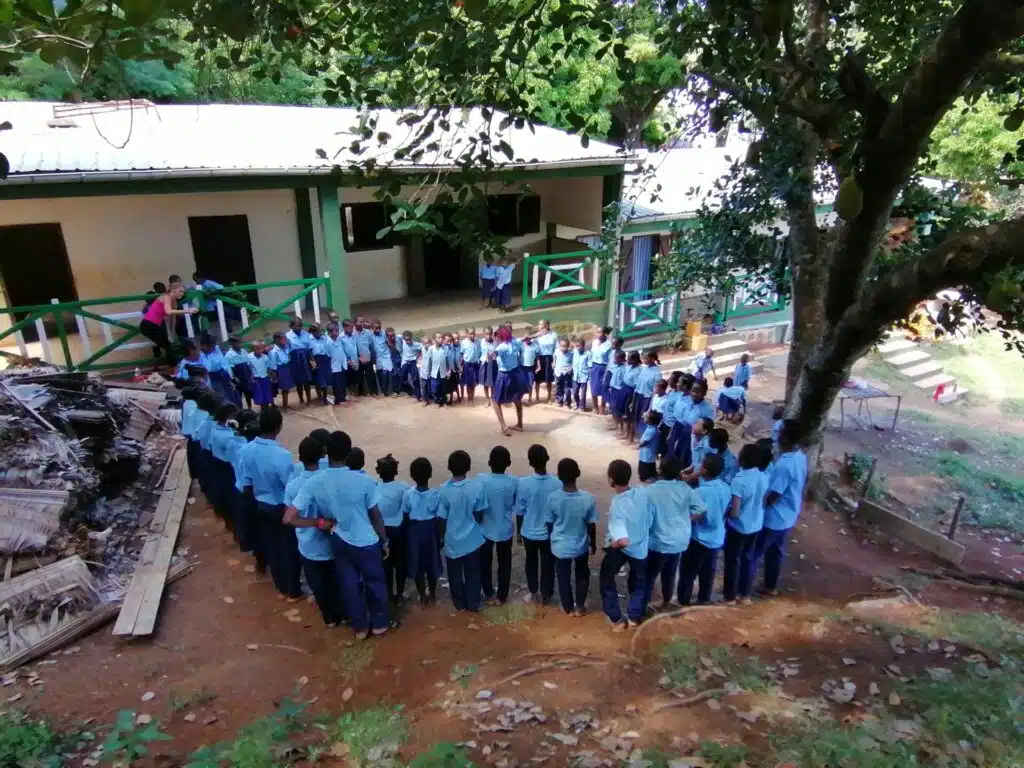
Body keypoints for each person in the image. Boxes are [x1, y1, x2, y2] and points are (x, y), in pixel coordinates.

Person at [288, 432, 398, 639]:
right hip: (365, 540)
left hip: (338, 537)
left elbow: (289, 517)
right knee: (374, 581)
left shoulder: (314, 482)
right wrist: (384, 540)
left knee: (349, 583)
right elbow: (376, 516)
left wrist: (318, 523)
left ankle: (360, 628)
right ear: (348, 453)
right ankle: (380, 624)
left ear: (326, 453)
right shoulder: (364, 481)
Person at [238, 407, 301, 600]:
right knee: (289, 547)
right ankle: (293, 589)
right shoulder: (281, 455)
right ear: (279, 427)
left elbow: (246, 482)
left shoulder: (247, 449)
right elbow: (289, 486)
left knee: (272, 545)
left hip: (261, 503)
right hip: (280, 505)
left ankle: (280, 585)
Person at [283, 437, 343, 627]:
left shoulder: (293, 486)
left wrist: (315, 523)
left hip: (308, 545)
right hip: (334, 542)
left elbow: (289, 518)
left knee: (318, 585)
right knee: (338, 581)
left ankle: (330, 618)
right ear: (322, 456)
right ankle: (342, 613)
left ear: (300, 458)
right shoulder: (330, 480)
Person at [753, 420, 808, 596]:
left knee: (755, 553)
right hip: (788, 514)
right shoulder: (800, 456)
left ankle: (742, 591)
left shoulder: (785, 465)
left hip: (773, 518)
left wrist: (756, 508)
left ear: (787, 437)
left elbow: (773, 496)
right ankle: (771, 586)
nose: (777, 435)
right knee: (775, 552)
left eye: (781, 432)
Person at [599, 459, 655, 629]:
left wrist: (610, 547)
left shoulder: (617, 504)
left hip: (623, 548)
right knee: (639, 582)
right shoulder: (641, 493)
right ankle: (633, 617)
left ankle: (616, 619)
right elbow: (650, 516)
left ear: (611, 480)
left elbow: (622, 541)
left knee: (606, 577)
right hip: (640, 549)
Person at [643, 457, 705, 611]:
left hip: (658, 541)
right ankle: (666, 601)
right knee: (669, 572)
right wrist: (686, 519)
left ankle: (642, 606)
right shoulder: (685, 488)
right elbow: (701, 510)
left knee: (649, 575)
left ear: (659, 470)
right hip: (679, 541)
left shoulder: (650, 490)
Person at [544, 458, 597, 616]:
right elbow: (591, 524)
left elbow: (549, 523)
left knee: (563, 576)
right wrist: (592, 543)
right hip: (580, 544)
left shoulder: (553, 498)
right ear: (578, 474)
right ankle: (579, 607)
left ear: (558, 476)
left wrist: (552, 539)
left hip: (560, 546)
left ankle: (567, 607)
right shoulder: (588, 498)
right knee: (582, 574)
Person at [437, 450, 488, 612]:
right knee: (473, 573)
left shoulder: (443, 490)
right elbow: (479, 513)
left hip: (452, 541)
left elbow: (441, 518)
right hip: (472, 539)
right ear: (469, 467)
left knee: (454, 576)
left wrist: (441, 537)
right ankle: (473, 604)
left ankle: (459, 604)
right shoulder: (477, 486)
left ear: (449, 467)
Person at [677, 454, 730, 605]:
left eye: (701, 466)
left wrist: (685, 520)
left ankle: (683, 600)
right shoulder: (725, 487)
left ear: (704, 471)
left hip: (699, 538)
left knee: (688, 572)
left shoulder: (699, 492)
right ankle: (704, 598)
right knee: (708, 570)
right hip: (717, 537)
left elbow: (698, 515)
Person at [723, 444, 768, 604]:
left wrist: (724, 513)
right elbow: (763, 502)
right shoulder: (763, 476)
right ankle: (745, 595)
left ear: (742, 459)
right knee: (748, 559)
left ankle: (729, 597)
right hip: (756, 525)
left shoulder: (739, 480)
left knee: (732, 561)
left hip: (738, 527)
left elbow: (735, 512)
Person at [517, 445, 561, 604]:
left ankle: (533, 592)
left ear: (530, 462)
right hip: (549, 532)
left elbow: (520, 511)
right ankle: (546, 595)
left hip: (529, 531)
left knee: (531, 562)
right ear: (547, 458)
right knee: (548, 563)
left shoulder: (523, 483)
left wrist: (518, 533)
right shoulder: (557, 483)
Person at [476, 445, 517, 606]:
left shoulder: (480, 479)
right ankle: (502, 596)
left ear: (489, 462)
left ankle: (488, 593)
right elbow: (514, 503)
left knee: (485, 562)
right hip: (505, 529)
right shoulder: (514, 482)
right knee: (505, 563)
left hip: (485, 528)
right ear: (509, 463)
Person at [401, 457, 442, 604]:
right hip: (430, 531)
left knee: (417, 565)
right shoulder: (436, 495)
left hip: (414, 531)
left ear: (412, 476)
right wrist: (440, 537)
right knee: (431, 563)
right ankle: (432, 594)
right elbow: (439, 518)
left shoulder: (407, 494)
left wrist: (406, 534)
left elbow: (405, 516)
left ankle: (422, 596)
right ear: (430, 475)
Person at [375, 454, 410, 608]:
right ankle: (400, 594)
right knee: (400, 564)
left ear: (378, 472)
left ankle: (389, 594)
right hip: (399, 530)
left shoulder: (375, 489)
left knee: (386, 564)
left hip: (382, 532)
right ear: (396, 471)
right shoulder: (404, 488)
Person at [140, 281, 197, 363]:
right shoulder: (166, 297)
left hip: (155, 325)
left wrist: (172, 333)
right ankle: (174, 367)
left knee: (170, 345)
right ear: (174, 290)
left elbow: (172, 318)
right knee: (168, 346)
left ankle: (176, 366)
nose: (182, 294)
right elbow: (168, 311)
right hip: (148, 325)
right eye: (180, 291)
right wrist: (188, 310)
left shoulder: (174, 301)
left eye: (183, 292)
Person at [490, 326, 524, 435]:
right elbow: (525, 338)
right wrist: (539, 334)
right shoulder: (515, 342)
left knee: (495, 401)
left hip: (504, 375)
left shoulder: (501, 347)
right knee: (517, 399)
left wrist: (490, 354)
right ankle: (520, 424)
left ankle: (504, 427)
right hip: (514, 374)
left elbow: (493, 354)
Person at [673, 381, 713, 466]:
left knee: (689, 459)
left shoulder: (706, 409)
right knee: (678, 455)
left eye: (698, 392)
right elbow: (683, 421)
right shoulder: (688, 403)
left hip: (695, 438)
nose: (694, 394)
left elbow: (707, 428)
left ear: (704, 393)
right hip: (683, 434)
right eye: (692, 391)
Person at [631, 350, 662, 442]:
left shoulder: (656, 374)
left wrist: (649, 409)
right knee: (636, 418)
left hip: (647, 399)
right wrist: (633, 401)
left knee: (644, 421)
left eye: (645, 358)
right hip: (638, 397)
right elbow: (638, 385)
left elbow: (655, 392)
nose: (643, 360)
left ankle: (643, 440)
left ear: (652, 359)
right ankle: (638, 438)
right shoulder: (644, 368)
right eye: (642, 358)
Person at [286, 318, 313, 406]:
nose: (300, 327)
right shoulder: (287, 336)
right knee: (298, 382)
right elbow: (287, 349)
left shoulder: (305, 334)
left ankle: (309, 400)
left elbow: (309, 347)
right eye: (298, 325)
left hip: (305, 358)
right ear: (292, 326)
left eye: (301, 325)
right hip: (295, 359)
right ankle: (301, 398)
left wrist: (311, 359)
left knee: (307, 381)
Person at [325, 323, 350, 408]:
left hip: (341, 364)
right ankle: (339, 400)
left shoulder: (338, 339)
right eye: (335, 331)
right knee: (337, 384)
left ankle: (343, 398)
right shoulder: (327, 342)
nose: (337, 333)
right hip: (334, 366)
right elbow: (327, 356)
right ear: (330, 332)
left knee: (342, 383)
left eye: (338, 331)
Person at [589, 326, 613, 414]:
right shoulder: (594, 342)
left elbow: (610, 359)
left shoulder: (609, 344)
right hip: (594, 366)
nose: (598, 335)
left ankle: (602, 408)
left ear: (605, 334)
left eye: (600, 333)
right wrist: (590, 367)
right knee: (593, 388)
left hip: (604, 367)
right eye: (597, 332)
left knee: (604, 388)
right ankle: (595, 408)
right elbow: (591, 355)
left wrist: (608, 370)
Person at [225, 336, 253, 409]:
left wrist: (251, 374)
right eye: (238, 343)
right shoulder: (229, 355)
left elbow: (248, 363)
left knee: (248, 393)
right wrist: (234, 378)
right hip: (237, 375)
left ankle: (249, 408)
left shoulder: (243, 351)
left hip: (246, 374)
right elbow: (230, 368)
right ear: (232, 343)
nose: (241, 344)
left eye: (241, 342)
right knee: (238, 395)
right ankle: (240, 410)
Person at [619, 351, 641, 440]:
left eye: (629, 358)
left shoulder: (638, 371)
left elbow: (636, 387)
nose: (627, 359)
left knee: (630, 416)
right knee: (625, 415)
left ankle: (631, 437)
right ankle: (626, 433)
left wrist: (633, 400)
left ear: (634, 360)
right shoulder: (628, 367)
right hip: (624, 390)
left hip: (631, 393)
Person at [534, 319, 559, 402]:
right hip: (539, 358)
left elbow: (556, 348)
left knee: (548, 379)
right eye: (539, 325)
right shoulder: (537, 336)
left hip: (549, 358)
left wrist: (555, 361)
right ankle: (537, 396)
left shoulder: (553, 335)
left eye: (540, 325)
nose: (539, 326)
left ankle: (549, 397)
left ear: (546, 326)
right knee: (537, 379)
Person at [268, 332, 293, 410]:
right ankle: (282, 406)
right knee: (282, 388)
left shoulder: (286, 347)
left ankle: (285, 404)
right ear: (276, 340)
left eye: (285, 338)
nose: (285, 340)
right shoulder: (273, 351)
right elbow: (273, 365)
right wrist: (274, 377)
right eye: (283, 338)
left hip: (287, 368)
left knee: (287, 388)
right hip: (280, 370)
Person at [353, 317, 378, 396]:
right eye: (360, 322)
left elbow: (371, 346)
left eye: (363, 321)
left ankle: (373, 392)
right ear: (355, 323)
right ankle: (360, 393)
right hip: (358, 359)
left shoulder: (368, 333)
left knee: (370, 376)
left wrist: (373, 359)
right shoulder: (352, 334)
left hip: (368, 358)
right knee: (359, 377)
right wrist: (359, 356)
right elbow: (352, 347)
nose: (362, 323)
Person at [370, 320, 394, 397]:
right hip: (377, 358)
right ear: (372, 328)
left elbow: (390, 343)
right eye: (376, 328)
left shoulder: (384, 334)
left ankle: (386, 391)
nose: (378, 329)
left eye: (379, 327)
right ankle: (382, 390)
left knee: (386, 373)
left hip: (386, 356)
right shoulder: (370, 336)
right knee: (379, 374)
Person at [310, 325, 332, 405]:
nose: (320, 333)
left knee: (325, 379)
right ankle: (320, 395)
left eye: (321, 331)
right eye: (318, 331)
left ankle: (324, 397)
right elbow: (309, 351)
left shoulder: (325, 338)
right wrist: (312, 362)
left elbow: (329, 348)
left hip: (325, 360)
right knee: (319, 379)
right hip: (316, 360)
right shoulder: (309, 339)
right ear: (313, 332)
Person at [637, 410, 662, 482]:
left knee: (646, 464)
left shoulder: (652, 430)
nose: (644, 415)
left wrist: (638, 445)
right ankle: (648, 475)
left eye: (646, 416)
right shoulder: (652, 427)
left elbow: (645, 442)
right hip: (648, 451)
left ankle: (645, 477)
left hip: (647, 451)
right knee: (648, 462)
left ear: (650, 421)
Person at [249, 340, 274, 410]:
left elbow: (268, 368)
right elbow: (249, 368)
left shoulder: (265, 356)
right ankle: (263, 408)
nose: (260, 350)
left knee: (267, 394)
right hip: (256, 379)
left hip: (265, 378)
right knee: (260, 395)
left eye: (261, 348)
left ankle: (267, 408)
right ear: (253, 349)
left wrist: (270, 377)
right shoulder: (249, 357)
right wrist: (252, 378)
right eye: (257, 348)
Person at [339, 320, 361, 397]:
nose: (352, 329)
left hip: (355, 360)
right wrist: (347, 360)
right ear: (345, 327)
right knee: (349, 379)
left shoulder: (354, 335)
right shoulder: (341, 337)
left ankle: (355, 393)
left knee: (356, 378)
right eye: (350, 327)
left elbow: (356, 347)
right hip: (347, 362)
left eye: (352, 327)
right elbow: (341, 350)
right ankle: (350, 394)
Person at [398, 330, 423, 399]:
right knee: (402, 378)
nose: (408, 341)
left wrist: (418, 355)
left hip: (412, 362)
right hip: (405, 362)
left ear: (412, 338)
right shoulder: (403, 341)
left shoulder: (416, 344)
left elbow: (423, 348)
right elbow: (397, 336)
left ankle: (418, 395)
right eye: (407, 340)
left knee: (415, 379)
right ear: (404, 339)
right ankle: (411, 391)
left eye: (410, 339)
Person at [459, 328, 481, 404]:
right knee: (468, 383)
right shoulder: (464, 342)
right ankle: (469, 399)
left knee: (474, 383)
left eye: (473, 333)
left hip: (475, 364)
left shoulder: (478, 341)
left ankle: (472, 397)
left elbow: (480, 352)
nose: (472, 335)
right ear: (467, 334)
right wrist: (460, 366)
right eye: (470, 334)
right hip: (467, 365)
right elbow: (461, 354)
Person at [570, 337, 591, 411]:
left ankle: (582, 407)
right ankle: (577, 403)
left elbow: (589, 366)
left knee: (583, 394)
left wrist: (589, 376)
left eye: (579, 346)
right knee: (575, 392)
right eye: (576, 346)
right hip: (575, 376)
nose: (577, 348)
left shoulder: (588, 354)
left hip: (584, 376)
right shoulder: (574, 352)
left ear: (583, 345)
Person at [519, 330, 539, 405]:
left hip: (531, 368)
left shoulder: (535, 345)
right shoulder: (521, 345)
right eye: (526, 338)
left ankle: (530, 398)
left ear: (531, 338)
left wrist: (538, 366)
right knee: (522, 384)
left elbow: (537, 357)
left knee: (530, 384)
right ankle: (520, 398)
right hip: (522, 368)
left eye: (529, 338)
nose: (527, 340)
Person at [553, 337, 573, 407]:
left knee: (567, 389)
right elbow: (555, 358)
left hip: (567, 373)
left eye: (565, 346)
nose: (563, 348)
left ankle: (568, 402)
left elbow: (573, 362)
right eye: (561, 346)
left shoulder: (571, 353)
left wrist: (571, 369)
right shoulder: (557, 351)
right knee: (559, 387)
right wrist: (554, 363)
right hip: (558, 372)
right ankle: (559, 401)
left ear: (568, 346)